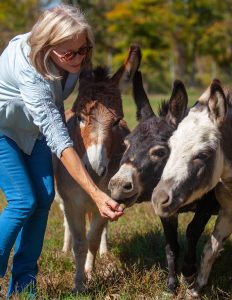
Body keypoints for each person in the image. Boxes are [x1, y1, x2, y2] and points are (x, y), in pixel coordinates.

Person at [0, 4, 124, 298]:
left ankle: (24, 285)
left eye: (84, 50)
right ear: (47, 47)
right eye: (70, 54)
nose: (79, 58)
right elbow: (57, 134)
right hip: (4, 130)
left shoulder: (74, 61)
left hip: (37, 131)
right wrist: (96, 193)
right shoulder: (27, 68)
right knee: (23, 201)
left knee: (43, 198)